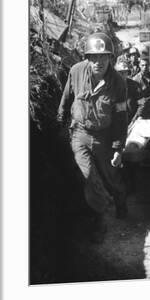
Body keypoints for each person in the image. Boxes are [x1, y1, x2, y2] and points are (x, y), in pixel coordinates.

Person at [57, 32, 128, 242]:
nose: (98, 62)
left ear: (110, 58)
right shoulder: (76, 72)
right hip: (79, 133)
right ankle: (99, 219)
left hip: (104, 137)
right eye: (93, 57)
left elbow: (121, 118)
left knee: (110, 176)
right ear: (87, 58)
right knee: (88, 175)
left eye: (103, 57)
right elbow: (67, 97)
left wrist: (118, 148)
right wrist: (60, 120)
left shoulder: (118, 84)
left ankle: (120, 200)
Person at [115, 56, 140, 125]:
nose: (122, 75)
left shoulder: (134, 85)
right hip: (117, 120)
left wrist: (136, 117)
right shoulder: (112, 86)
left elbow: (141, 103)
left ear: (127, 73)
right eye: (120, 72)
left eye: (124, 72)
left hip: (133, 118)